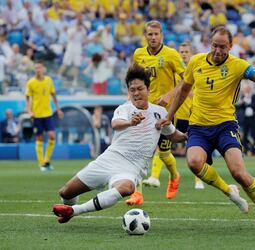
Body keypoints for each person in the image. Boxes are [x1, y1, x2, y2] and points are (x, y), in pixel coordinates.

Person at [157, 26, 255, 230]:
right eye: (215, 45)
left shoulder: (238, 65)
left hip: (225, 125)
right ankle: (229, 191)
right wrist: (169, 115)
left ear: (231, 46)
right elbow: (184, 90)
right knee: (193, 162)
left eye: (223, 47)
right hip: (199, 126)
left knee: (238, 172)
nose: (218, 51)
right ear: (210, 43)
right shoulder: (196, 61)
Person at [52, 64, 187, 224]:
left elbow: (173, 135)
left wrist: (188, 136)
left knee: (127, 188)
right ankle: (69, 207)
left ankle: (74, 211)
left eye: (140, 88)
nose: (136, 93)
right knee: (66, 193)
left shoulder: (159, 112)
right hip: (108, 160)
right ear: (128, 92)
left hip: (131, 167)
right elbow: (116, 124)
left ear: (148, 89)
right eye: (132, 90)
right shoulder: (124, 109)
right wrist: (130, 122)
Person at [126, 20, 186, 205]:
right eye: (149, 34)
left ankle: (175, 176)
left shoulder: (171, 55)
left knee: (164, 154)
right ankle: (136, 194)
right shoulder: (139, 54)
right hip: (143, 110)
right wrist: (131, 99)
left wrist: (169, 94)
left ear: (162, 35)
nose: (152, 37)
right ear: (145, 36)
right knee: (138, 150)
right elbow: (133, 78)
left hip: (164, 113)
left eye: (156, 34)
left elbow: (186, 81)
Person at [143, 42, 205, 189]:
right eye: (181, 52)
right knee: (163, 146)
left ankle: (199, 179)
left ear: (192, 54)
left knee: (195, 147)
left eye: (186, 52)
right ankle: (154, 177)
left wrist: (184, 92)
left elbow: (199, 92)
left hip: (192, 115)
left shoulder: (197, 71)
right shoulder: (175, 71)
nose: (183, 54)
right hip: (175, 115)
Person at [25, 61, 64, 171]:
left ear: (43, 69)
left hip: (48, 113)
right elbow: (27, 98)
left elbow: (53, 95)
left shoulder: (48, 80)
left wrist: (58, 109)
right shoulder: (31, 82)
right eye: (36, 68)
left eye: (39, 67)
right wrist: (29, 110)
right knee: (40, 138)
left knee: (52, 135)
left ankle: (46, 160)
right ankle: (42, 164)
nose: (38, 70)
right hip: (36, 115)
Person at [238, 83, 255, 155]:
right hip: (246, 119)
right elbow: (240, 106)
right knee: (245, 135)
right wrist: (244, 102)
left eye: (248, 89)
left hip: (253, 119)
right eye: (246, 89)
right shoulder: (243, 96)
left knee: (254, 135)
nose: (247, 90)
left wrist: (248, 103)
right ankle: (246, 150)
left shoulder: (254, 96)